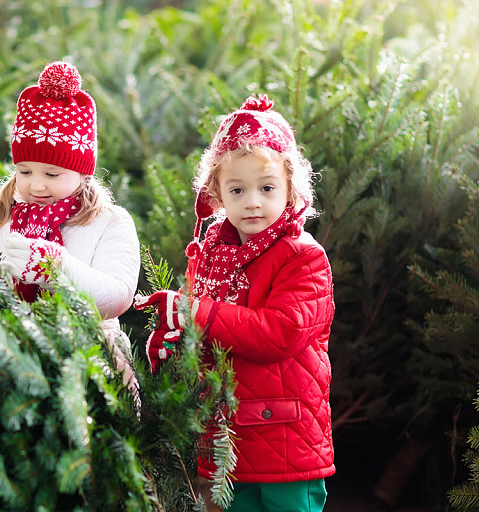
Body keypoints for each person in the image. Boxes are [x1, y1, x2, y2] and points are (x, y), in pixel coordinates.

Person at [135, 94, 335, 511]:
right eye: (237, 190)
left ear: (290, 189)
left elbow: (280, 333)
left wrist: (196, 313)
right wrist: (174, 335)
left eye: (267, 188)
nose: (253, 201)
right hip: (227, 437)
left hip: (285, 436)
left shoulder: (302, 257)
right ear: (217, 194)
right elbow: (201, 330)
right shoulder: (212, 255)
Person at [0, 61, 141, 393]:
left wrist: (55, 269)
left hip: (93, 362)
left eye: (52, 174)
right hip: (12, 360)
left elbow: (117, 297)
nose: (36, 185)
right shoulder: (6, 216)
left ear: (82, 171)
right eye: (25, 170)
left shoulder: (110, 221)